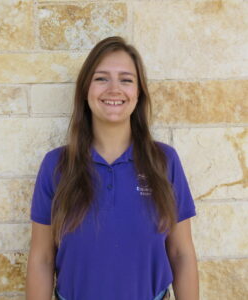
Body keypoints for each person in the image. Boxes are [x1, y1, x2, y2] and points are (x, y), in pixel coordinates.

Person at [26, 36, 199, 300]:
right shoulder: (56, 166)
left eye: (126, 79)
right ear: (86, 89)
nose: (114, 89)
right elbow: (42, 258)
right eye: (101, 78)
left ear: (138, 92)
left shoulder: (164, 161)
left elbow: (181, 254)